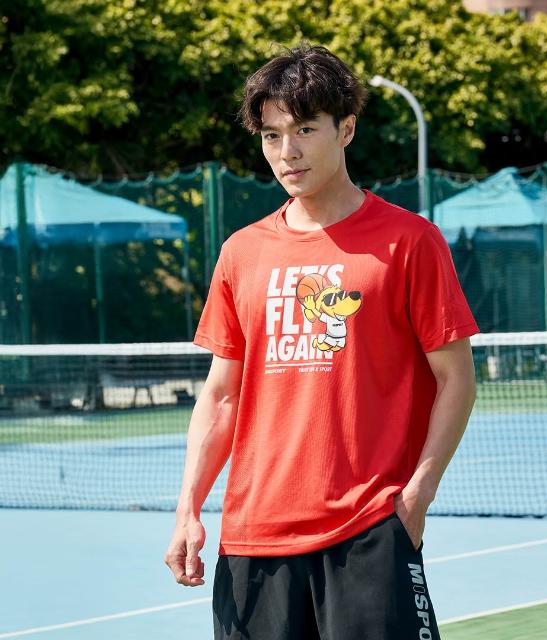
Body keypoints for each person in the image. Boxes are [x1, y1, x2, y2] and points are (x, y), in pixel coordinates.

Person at [165, 43, 478, 640]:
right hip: (252, 540)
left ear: (347, 129)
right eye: (272, 135)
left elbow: (456, 379)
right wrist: (188, 510)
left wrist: (417, 497)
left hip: (368, 532)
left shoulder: (410, 241)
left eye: (305, 129)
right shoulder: (241, 252)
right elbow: (222, 396)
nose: (288, 151)